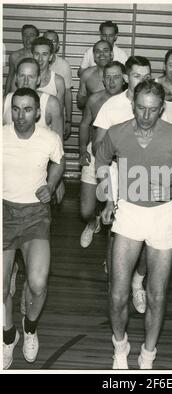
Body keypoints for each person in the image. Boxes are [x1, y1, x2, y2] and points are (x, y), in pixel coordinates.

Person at [95, 79, 172, 369]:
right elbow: (101, 163)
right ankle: (120, 346)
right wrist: (108, 200)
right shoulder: (117, 133)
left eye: (153, 109)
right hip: (129, 214)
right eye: (141, 108)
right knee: (116, 294)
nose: (146, 115)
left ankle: (148, 354)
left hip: (163, 215)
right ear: (133, 105)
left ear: (161, 108)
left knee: (157, 295)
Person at [3, 88, 65, 370]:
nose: (21, 115)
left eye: (27, 109)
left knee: (38, 283)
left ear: (38, 112)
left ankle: (30, 328)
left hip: (35, 215)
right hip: (4, 211)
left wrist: (50, 185)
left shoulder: (49, 139)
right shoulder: (1, 136)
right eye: (16, 108)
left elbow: (59, 161)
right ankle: (7, 335)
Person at [93, 56, 152, 314]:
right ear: (127, 77)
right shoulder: (112, 106)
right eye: (138, 75)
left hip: (148, 177)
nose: (144, 80)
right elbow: (98, 148)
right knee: (116, 233)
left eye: (148, 75)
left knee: (149, 239)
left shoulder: (156, 103)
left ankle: (138, 281)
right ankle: (115, 285)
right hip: (118, 174)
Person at [79, 61, 125, 249]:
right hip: (96, 152)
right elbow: (84, 125)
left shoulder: (132, 102)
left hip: (120, 159)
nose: (112, 81)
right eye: (108, 77)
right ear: (103, 79)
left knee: (117, 213)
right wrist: (83, 150)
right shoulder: (95, 99)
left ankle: (113, 257)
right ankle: (92, 222)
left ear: (124, 79)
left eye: (116, 76)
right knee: (85, 210)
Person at [43, 30, 73, 140]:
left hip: (56, 117)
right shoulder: (32, 64)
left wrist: (68, 121)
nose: (50, 43)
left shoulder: (63, 65)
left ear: (58, 45)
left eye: (53, 41)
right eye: (47, 41)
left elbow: (68, 94)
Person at [77, 40, 113, 110]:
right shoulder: (86, 75)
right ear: (94, 56)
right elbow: (80, 103)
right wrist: (94, 98)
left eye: (105, 51)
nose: (101, 54)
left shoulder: (120, 74)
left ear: (111, 54)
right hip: (92, 119)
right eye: (98, 51)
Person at [5, 24, 39, 95]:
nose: (27, 38)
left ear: (36, 38)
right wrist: (5, 95)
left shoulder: (39, 57)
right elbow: (10, 76)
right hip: (16, 94)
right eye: (25, 35)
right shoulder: (14, 56)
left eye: (31, 35)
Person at [32, 37, 65, 110]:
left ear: (50, 57)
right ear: (32, 56)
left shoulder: (58, 82)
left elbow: (59, 114)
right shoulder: (22, 78)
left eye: (44, 54)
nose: (40, 59)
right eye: (37, 54)